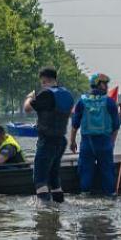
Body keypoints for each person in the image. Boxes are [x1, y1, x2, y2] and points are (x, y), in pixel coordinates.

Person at [23, 67, 74, 203]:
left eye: (42, 82)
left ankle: (45, 212)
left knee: (39, 179)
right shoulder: (67, 94)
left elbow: (27, 108)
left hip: (47, 141)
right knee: (54, 178)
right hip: (61, 141)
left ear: (44, 80)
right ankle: (59, 205)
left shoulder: (46, 94)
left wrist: (29, 97)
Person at [69, 73, 120, 196]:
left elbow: (75, 124)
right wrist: (112, 143)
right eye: (105, 84)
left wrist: (72, 141)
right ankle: (110, 199)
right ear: (98, 85)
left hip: (87, 143)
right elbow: (116, 126)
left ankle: (85, 196)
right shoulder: (110, 102)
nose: (107, 87)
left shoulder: (82, 102)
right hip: (104, 143)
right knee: (107, 173)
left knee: (85, 173)